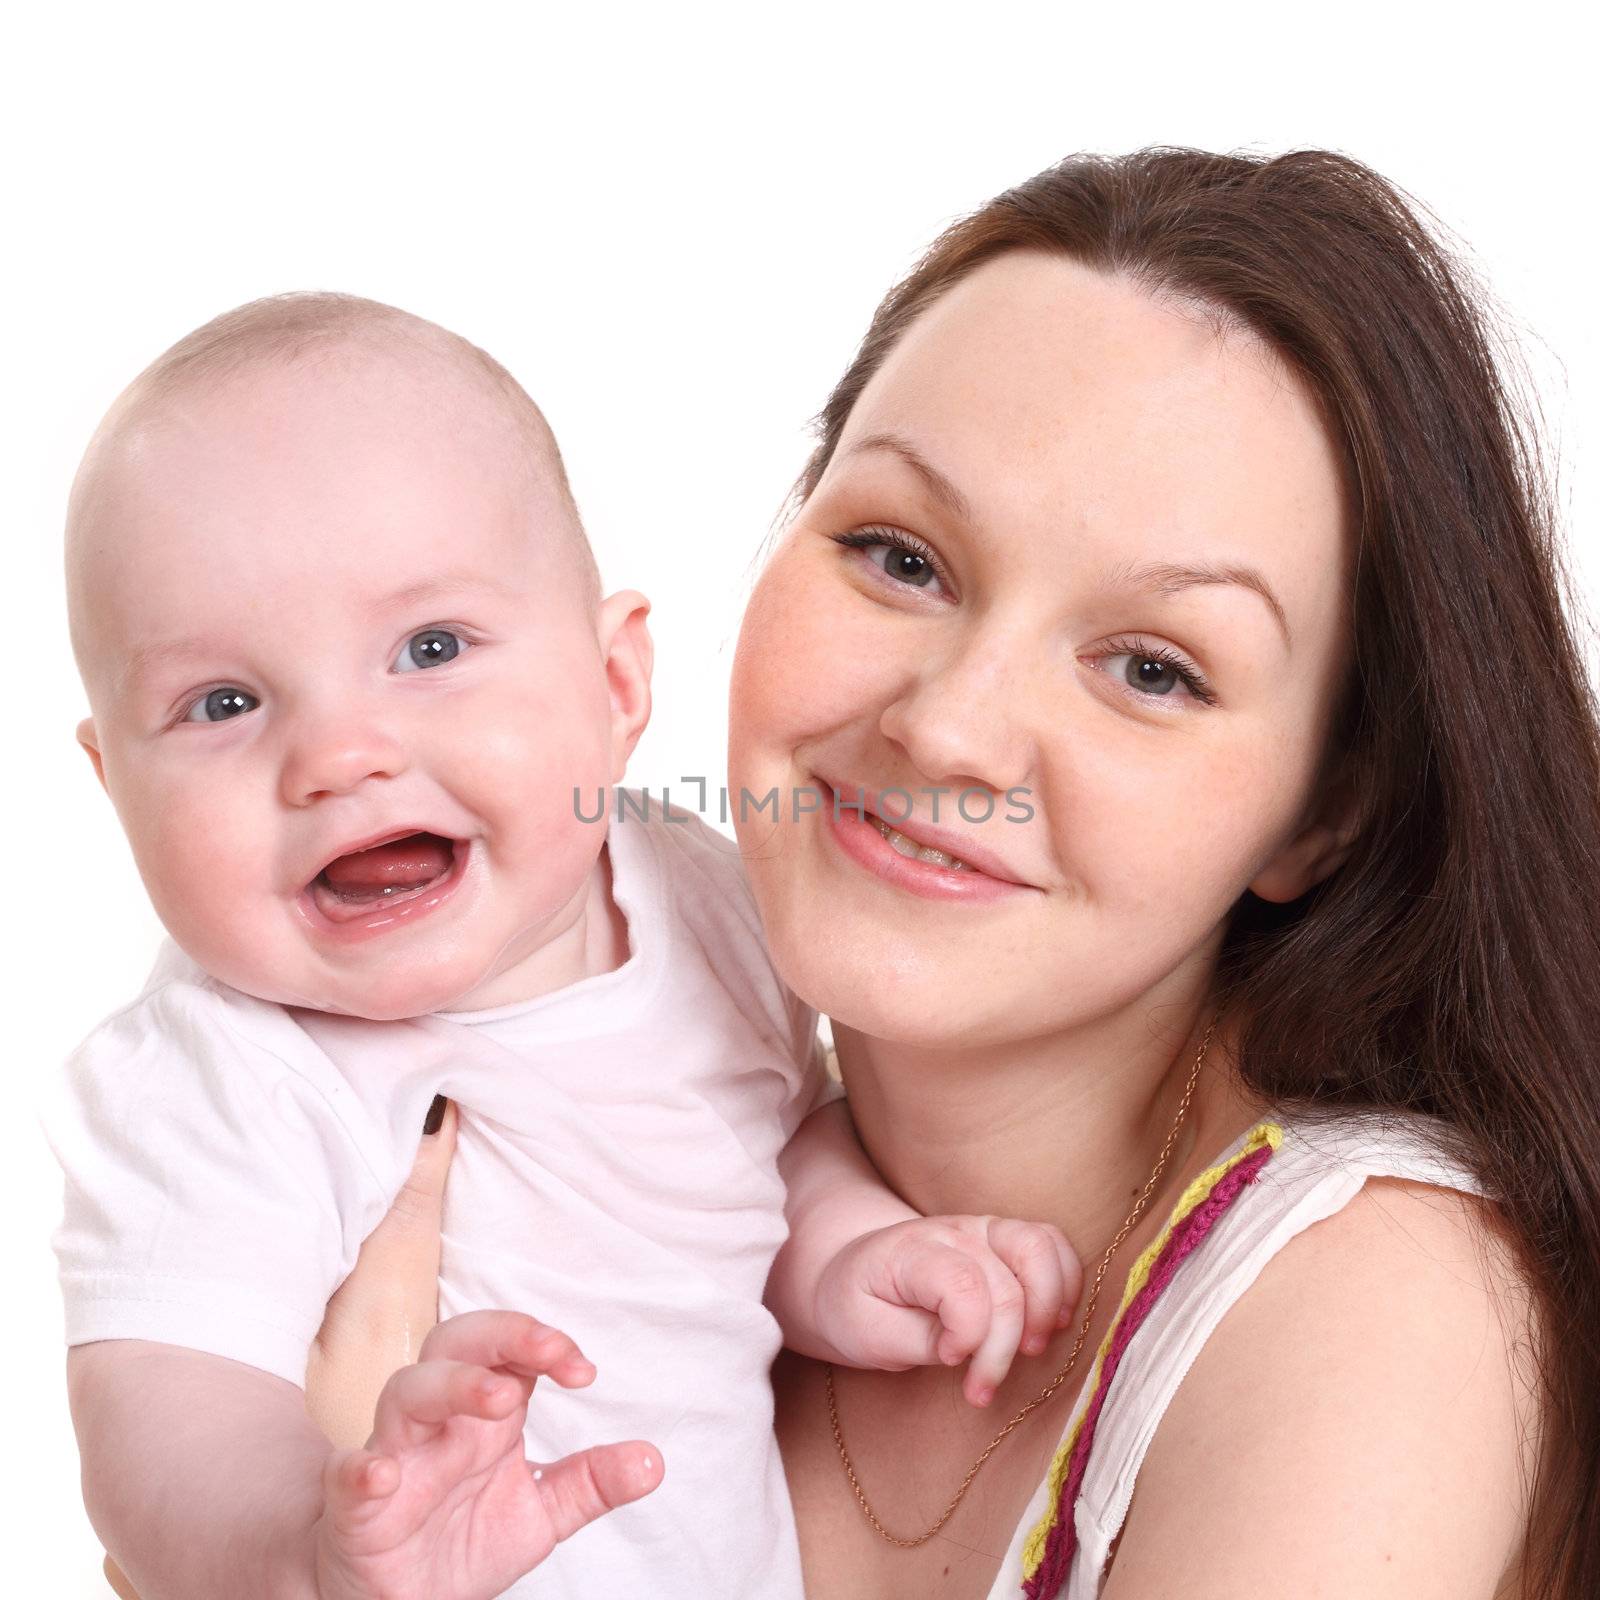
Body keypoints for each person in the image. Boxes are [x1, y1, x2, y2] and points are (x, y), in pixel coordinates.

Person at [308, 147, 1600, 1599]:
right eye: (899, 556)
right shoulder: (625, 1214)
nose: (945, 725)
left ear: (1326, 817)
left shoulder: (1371, 1296)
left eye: (1154, 670)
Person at [46, 293, 1085, 1600]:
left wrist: (851, 1255)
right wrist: (305, 1544)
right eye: (223, 702)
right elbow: (164, 1402)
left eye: (429, 649)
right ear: (112, 782)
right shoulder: (227, 1069)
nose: (338, 756)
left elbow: (746, 1163)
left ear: (615, 689)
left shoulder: (703, 897)